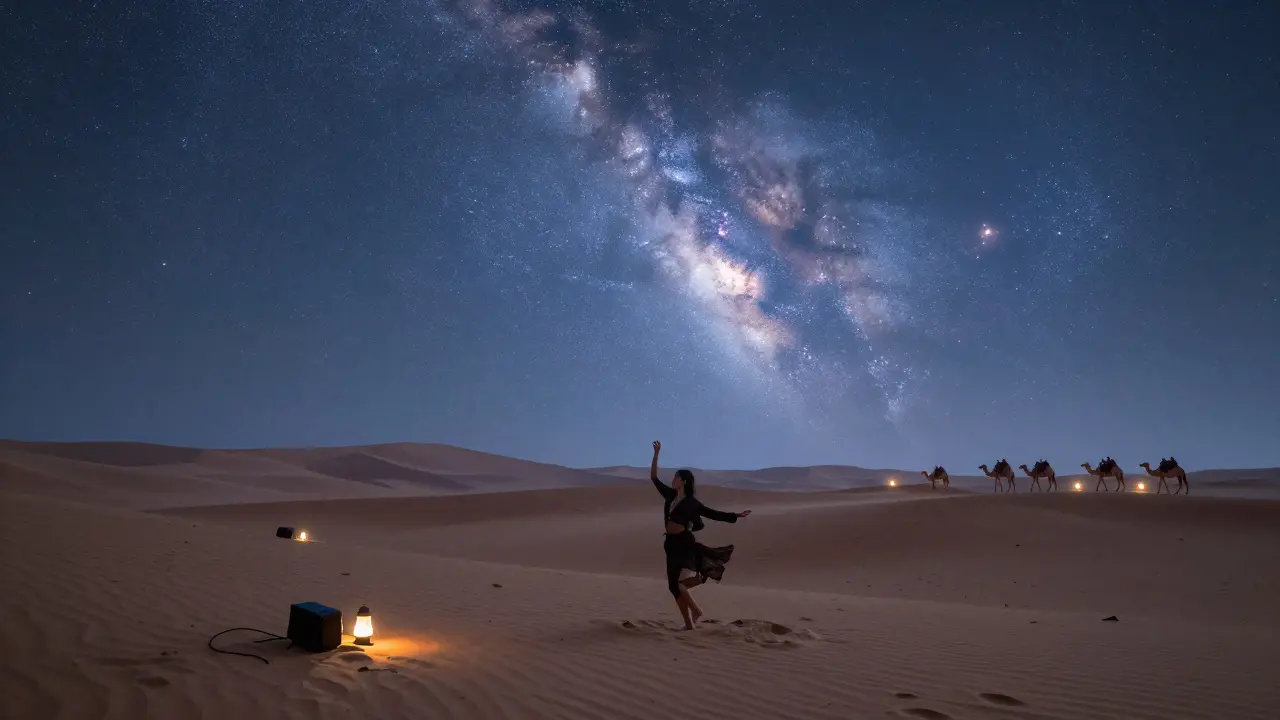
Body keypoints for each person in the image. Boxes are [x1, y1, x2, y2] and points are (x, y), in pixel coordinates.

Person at [650, 440, 751, 630]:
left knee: (679, 584)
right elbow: (654, 478)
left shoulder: (692, 503)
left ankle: (697, 611)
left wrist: (735, 516)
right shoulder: (670, 496)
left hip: (685, 544)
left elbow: (712, 513)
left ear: (684, 481)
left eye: (676, 477)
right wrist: (656, 455)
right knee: (673, 587)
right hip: (670, 544)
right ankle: (689, 624)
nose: (673, 479)